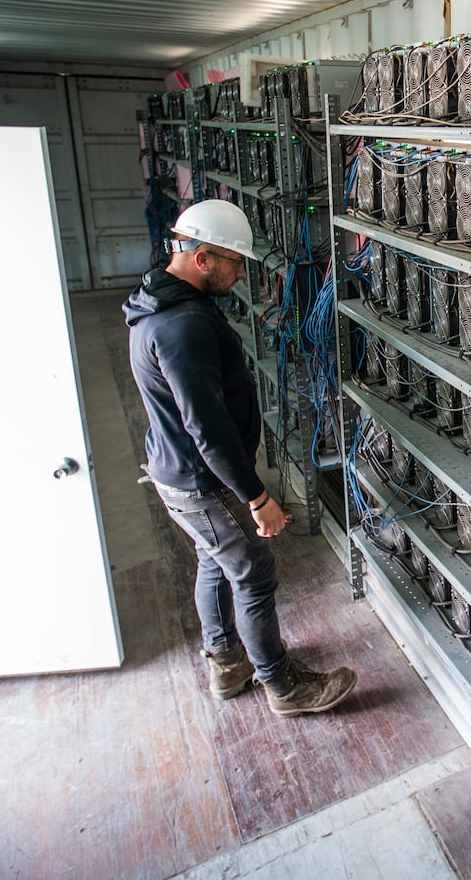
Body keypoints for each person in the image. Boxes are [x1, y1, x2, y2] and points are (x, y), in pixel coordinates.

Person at [124, 199, 356, 715]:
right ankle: (283, 687)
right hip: (200, 481)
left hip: (179, 471)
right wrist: (256, 497)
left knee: (215, 562)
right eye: (234, 262)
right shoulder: (181, 325)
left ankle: (228, 666)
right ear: (202, 257)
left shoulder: (157, 304)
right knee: (252, 572)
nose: (240, 273)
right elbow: (206, 428)